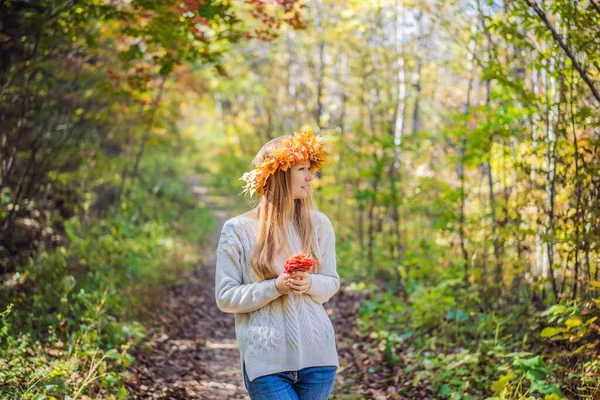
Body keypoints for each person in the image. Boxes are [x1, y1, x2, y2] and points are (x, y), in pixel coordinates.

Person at [214, 129, 341, 400]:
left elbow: (331, 282)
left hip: (319, 358)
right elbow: (225, 297)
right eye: (303, 169)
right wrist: (275, 287)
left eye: (310, 169)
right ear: (281, 175)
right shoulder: (237, 230)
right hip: (266, 363)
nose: (310, 177)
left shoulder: (319, 224)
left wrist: (310, 283)